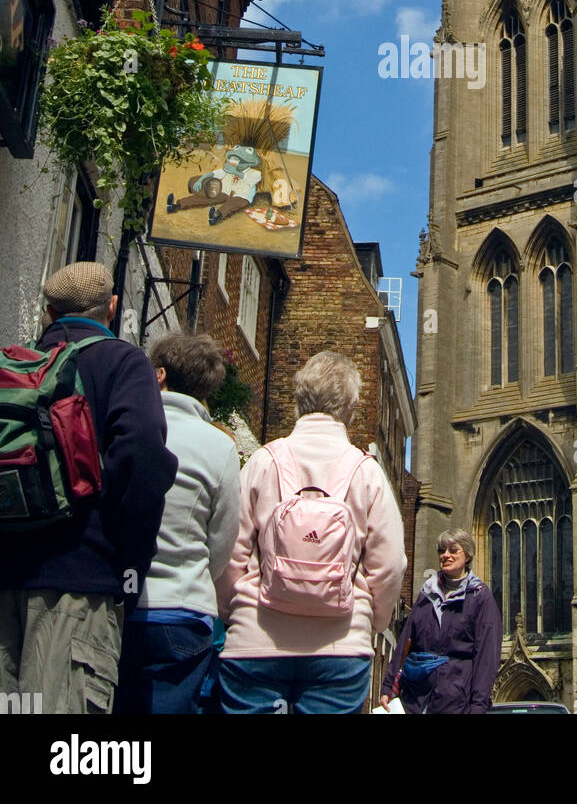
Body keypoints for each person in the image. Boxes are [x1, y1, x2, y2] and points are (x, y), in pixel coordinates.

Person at [0, 263, 177, 714]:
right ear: (112, 308)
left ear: (48, 312)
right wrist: (130, 559)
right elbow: (141, 457)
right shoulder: (123, 362)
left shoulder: (13, 366)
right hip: (80, 585)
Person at [216, 351, 406, 714]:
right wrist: (370, 616)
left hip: (256, 641)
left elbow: (229, 549)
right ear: (350, 407)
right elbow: (390, 564)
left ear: (299, 401)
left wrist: (234, 608)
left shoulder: (263, 461)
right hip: (340, 648)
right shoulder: (366, 472)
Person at [115, 331, 240, 714]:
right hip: (183, 612)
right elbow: (221, 542)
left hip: (118, 602)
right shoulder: (220, 446)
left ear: (160, 375)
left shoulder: (124, 425)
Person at [379, 529, 502, 714]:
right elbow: (405, 641)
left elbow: (487, 657)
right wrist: (388, 686)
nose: (446, 555)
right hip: (416, 696)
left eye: (453, 550)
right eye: (442, 550)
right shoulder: (427, 593)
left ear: (467, 555)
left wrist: (478, 705)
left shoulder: (480, 597)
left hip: (455, 699)